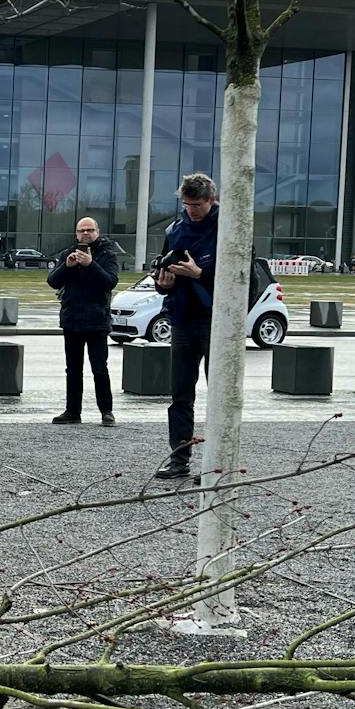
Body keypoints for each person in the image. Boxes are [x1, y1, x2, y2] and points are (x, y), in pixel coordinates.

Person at [153, 173, 219, 482]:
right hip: (182, 318)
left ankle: (217, 464)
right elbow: (164, 275)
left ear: (212, 200)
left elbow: (239, 280)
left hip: (215, 320)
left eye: (197, 205)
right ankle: (179, 459)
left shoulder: (228, 229)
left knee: (219, 396)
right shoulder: (175, 230)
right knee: (180, 395)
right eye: (187, 204)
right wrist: (163, 285)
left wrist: (199, 274)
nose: (191, 210)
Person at [47, 217, 120, 426]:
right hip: (72, 319)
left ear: (97, 232)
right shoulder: (68, 253)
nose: (85, 234)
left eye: (89, 230)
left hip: (97, 320)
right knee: (73, 369)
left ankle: (106, 411)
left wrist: (90, 264)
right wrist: (66, 267)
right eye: (81, 230)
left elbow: (110, 281)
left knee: (99, 368)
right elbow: (53, 281)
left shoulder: (107, 254)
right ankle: (72, 411)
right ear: (76, 234)